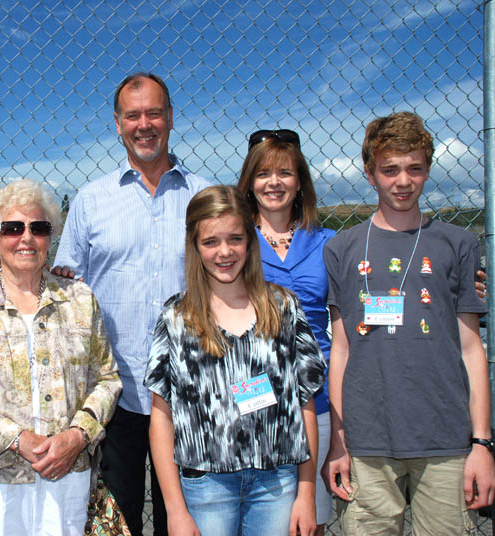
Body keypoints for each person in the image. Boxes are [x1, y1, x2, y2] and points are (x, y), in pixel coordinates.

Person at [53, 72, 213, 536]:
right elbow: (68, 288)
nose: (144, 124)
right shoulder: (91, 201)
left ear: (170, 118)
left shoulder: (203, 196)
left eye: (154, 113)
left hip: (190, 392)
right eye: (133, 115)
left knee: (182, 520)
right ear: (118, 124)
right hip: (115, 394)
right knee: (117, 521)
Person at [321, 111, 495, 534]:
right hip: (368, 442)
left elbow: (472, 348)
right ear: (369, 172)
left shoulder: (457, 243)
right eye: (390, 170)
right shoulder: (342, 249)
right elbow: (340, 350)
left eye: (415, 169)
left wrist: (482, 443)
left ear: (428, 170)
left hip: (445, 439)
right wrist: (339, 441)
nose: (402, 181)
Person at [0, 179, 122, 535]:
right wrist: (15, 438)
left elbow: (108, 379)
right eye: (13, 228)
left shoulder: (79, 300)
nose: (27, 237)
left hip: (65, 469)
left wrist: (78, 436)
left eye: (39, 228)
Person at [145, 185, 325, 536]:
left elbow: (305, 405)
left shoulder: (283, 308)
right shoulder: (176, 317)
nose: (224, 252)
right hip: (206, 486)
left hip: (277, 484)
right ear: (195, 247)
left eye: (235, 239)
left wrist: (307, 493)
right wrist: (175, 511)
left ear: (250, 242)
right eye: (211, 242)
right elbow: (161, 417)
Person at [236, 129, 334, 534]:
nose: (273, 183)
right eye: (262, 174)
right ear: (249, 182)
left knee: (310, 519)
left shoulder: (330, 243)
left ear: (300, 182)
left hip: (319, 396)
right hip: (254, 398)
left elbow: (377, 285)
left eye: (284, 173)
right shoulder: (235, 242)